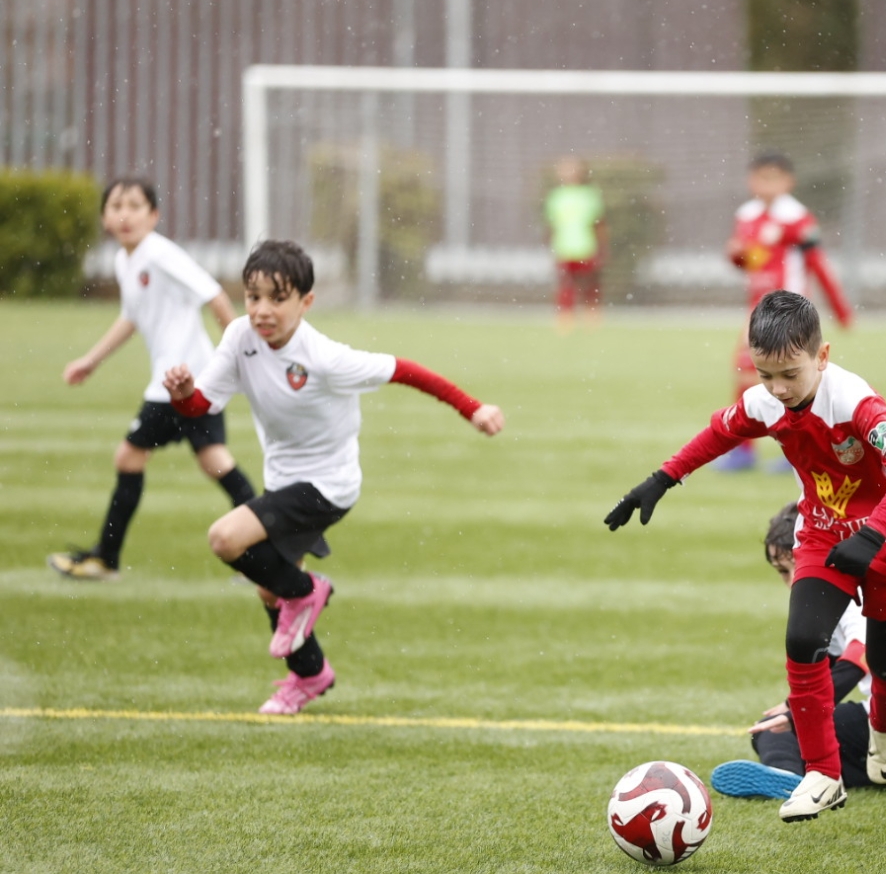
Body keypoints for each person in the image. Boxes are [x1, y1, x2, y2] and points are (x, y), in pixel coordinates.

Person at [606, 290, 886, 822]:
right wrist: (661, 479)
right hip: (822, 534)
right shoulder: (765, 400)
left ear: (822, 356)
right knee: (803, 640)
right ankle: (824, 775)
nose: (777, 388)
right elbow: (719, 433)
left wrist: (873, 534)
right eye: (765, 375)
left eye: (790, 374)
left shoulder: (855, 402)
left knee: (885, 660)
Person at [162, 240, 504, 715]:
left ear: (306, 302)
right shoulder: (240, 337)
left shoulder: (324, 358)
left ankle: (307, 592)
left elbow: (404, 371)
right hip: (283, 480)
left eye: (277, 298)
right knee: (269, 587)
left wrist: (472, 408)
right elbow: (200, 405)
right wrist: (182, 394)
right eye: (253, 296)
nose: (262, 310)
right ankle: (309, 674)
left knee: (225, 539)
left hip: (328, 486)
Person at [48, 177, 257, 581]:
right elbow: (131, 317)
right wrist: (91, 361)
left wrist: (243, 353)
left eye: (135, 206)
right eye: (116, 206)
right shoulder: (125, 261)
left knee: (130, 457)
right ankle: (268, 548)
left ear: (154, 215)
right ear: (105, 218)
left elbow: (214, 295)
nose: (125, 215)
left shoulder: (159, 254)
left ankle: (106, 559)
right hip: (194, 378)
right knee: (214, 460)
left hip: (179, 381)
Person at [710, 502, 886, 800]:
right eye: (782, 571)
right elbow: (830, 663)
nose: (791, 581)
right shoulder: (872, 582)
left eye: (796, 566)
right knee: (795, 727)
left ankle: (789, 778)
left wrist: (800, 712)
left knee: (773, 732)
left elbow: (860, 656)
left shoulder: (852, 594)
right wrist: (793, 703)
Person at [717, 151, 854, 471]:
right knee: (746, 370)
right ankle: (744, 450)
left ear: (788, 181)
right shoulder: (746, 216)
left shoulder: (797, 218)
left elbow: (817, 263)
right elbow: (749, 261)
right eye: (761, 177)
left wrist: (840, 310)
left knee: (793, 376)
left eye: (774, 177)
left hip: (789, 307)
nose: (767, 184)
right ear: (751, 180)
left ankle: (800, 450)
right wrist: (735, 256)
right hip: (758, 306)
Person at [544, 155, 607, 332]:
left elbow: (599, 223)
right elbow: (551, 224)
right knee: (565, 284)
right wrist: (550, 244)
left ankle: (592, 316)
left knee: (590, 284)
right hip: (564, 248)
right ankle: (566, 318)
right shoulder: (556, 196)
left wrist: (602, 246)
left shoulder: (590, 195)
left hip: (586, 247)